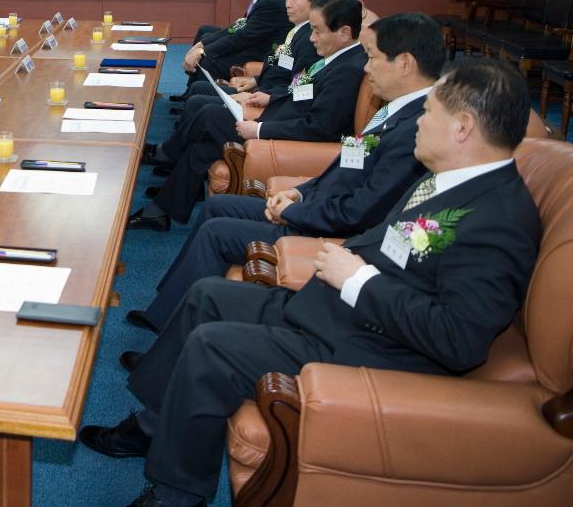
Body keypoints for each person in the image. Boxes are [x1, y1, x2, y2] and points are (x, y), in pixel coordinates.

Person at [80, 58, 540, 507]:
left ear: (462, 127)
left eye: (429, 112)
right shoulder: (453, 181)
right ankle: (152, 426)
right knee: (207, 295)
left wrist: (358, 279)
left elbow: (459, 339)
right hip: (341, 310)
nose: (418, 120)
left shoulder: (498, 220)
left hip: (375, 347)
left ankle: (175, 492)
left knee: (211, 346)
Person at [126, 12, 444, 334]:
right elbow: (347, 166)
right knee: (215, 204)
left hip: (327, 227)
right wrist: (301, 191)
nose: (366, 66)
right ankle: (165, 310)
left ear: (404, 63)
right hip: (316, 200)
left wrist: (297, 210)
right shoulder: (396, 112)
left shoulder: (415, 130)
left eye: (373, 57)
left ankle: (169, 322)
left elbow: (361, 207)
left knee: (216, 228)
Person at [134, 0, 368, 230]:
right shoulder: (334, 59)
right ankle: (159, 212)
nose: (312, 38)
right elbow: (304, 92)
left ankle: (166, 153)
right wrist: (270, 98)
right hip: (276, 116)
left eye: (318, 31)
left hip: (281, 137)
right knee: (199, 150)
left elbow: (319, 127)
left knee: (209, 114)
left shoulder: (347, 70)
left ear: (344, 33)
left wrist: (259, 129)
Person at [178, 0, 324, 116]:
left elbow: (303, 89)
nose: (288, 5)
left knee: (198, 102)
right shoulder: (297, 31)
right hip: (261, 90)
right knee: (199, 89)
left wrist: (263, 97)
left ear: (316, 1)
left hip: (270, 106)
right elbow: (283, 70)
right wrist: (254, 80)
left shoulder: (312, 41)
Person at [181, 0, 289, 86]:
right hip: (252, 44)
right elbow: (238, 27)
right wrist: (201, 44)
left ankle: (196, 96)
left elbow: (242, 37)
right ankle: (190, 91)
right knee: (206, 32)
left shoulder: (271, 1)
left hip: (260, 53)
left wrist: (203, 52)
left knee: (208, 60)